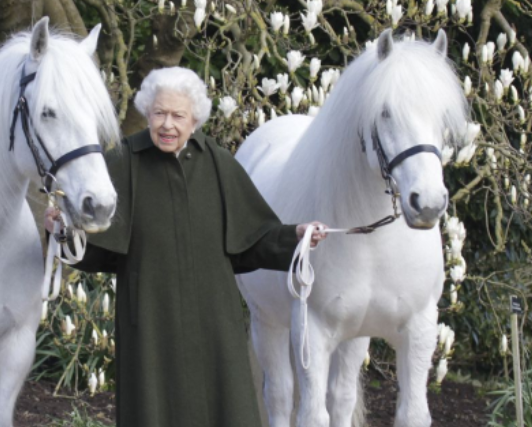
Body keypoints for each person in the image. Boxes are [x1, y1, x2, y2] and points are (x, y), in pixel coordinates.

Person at [45, 67, 327, 427]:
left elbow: (252, 239)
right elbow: (96, 246)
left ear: (195, 119)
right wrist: (62, 231)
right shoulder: (124, 162)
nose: (167, 124)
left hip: (214, 324)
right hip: (149, 322)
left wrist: (297, 235)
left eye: (178, 115)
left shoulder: (218, 162)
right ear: (147, 113)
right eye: (159, 113)